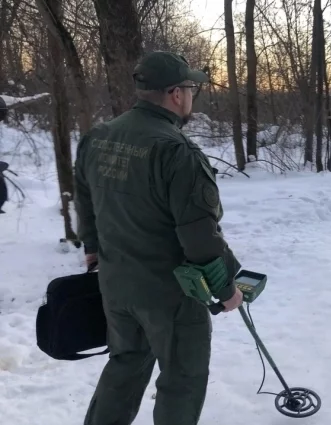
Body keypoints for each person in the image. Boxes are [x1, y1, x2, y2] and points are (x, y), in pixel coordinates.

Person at [74, 51, 244, 425]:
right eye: (190, 88)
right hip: (171, 296)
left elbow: (86, 203)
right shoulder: (177, 152)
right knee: (183, 378)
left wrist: (92, 251)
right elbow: (200, 237)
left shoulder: (97, 137)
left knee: (125, 365)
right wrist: (226, 288)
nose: (191, 95)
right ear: (174, 93)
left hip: (116, 285)